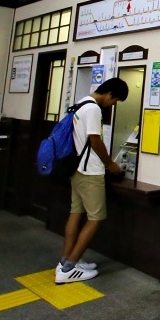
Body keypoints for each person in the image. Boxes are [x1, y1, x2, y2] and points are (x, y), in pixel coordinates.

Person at [56, 77, 129, 284]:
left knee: (76, 213)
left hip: (76, 169)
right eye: (115, 101)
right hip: (90, 172)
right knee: (96, 218)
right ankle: (69, 268)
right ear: (109, 94)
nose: (113, 105)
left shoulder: (81, 103)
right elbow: (95, 141)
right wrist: (110, 165)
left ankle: (66, 261)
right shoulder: (94, 109)